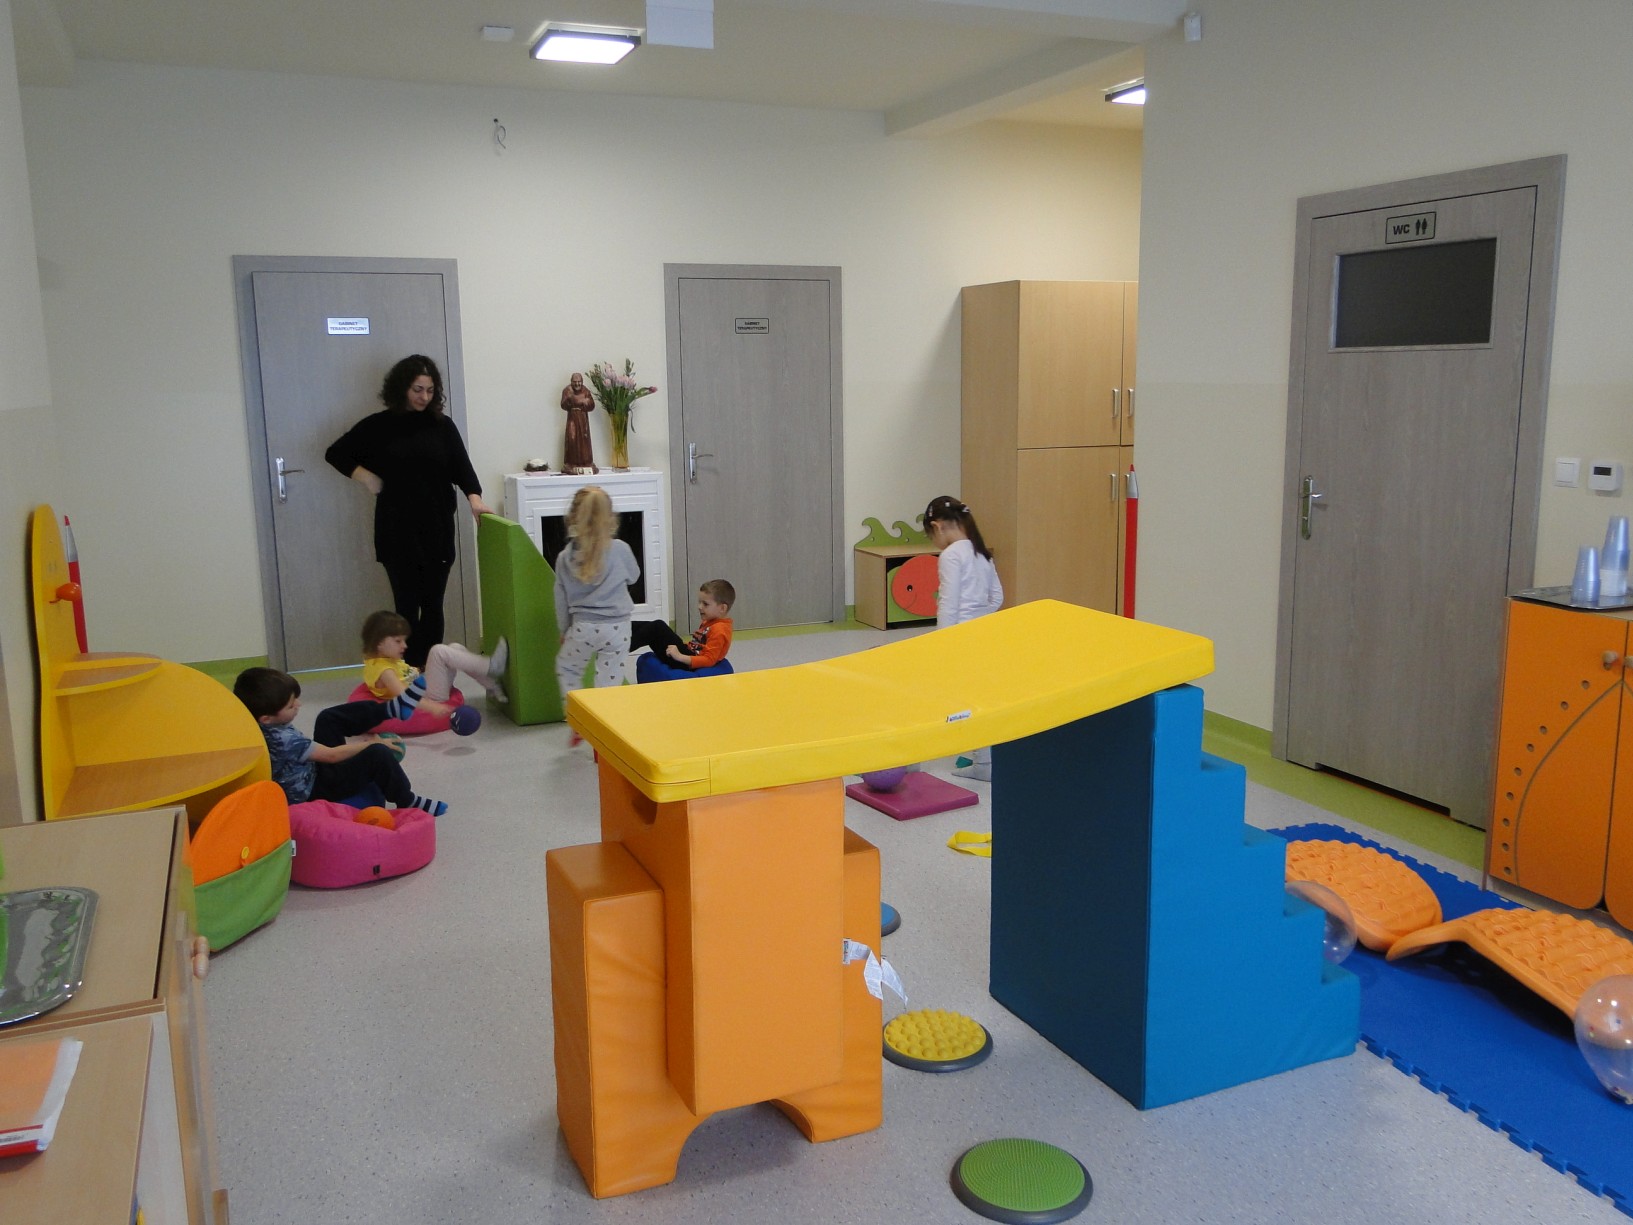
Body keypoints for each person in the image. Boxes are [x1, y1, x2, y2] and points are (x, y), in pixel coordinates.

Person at [325, 354, 493, 668]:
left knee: (433, 605)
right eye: (418, 389)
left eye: (430, 390)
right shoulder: (379, 425)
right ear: (402, 387)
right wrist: (366, 477)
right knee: (405, 606)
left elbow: (462, 468)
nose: (424, 397)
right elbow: (335, 453)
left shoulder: (443, 426)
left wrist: (475, 499)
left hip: (437, 529)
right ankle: (406, 671)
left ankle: (429, 670)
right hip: (396, 531)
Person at [233, 667, 447, 816]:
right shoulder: (284, 740)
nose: (299, 704)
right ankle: (407, 800)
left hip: (311, 772)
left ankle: (393, 708)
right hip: (314, 791)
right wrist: (371, 744)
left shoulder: (260, 725)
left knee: (327, 718)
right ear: (266, 718)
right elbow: (331, 755)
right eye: (290, 705)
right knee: (378, 754)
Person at [923, 494, 1004, 781]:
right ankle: (984, 759)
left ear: (937, 526)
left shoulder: (951, 555)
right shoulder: (981, 552)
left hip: (961, 639)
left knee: (967, 699)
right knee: (981, 697)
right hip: (983, 637)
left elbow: (948, 603)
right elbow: (997, 598)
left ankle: (982, 764)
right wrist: (979, 616)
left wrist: (943, 643)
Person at [554, 485, 640, 743]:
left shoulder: (564, 558)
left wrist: (564, 630)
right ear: (610, 518)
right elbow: (634, 576)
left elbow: (561, 600)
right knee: (608, 683)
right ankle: (606, 736)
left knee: (568, 668)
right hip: (618, 628)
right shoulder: (621, 549)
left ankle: (578, 720)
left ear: (572, 517)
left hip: (583, 628)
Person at [356, 610, 508, 723]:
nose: (405, 645)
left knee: (455, 648)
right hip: (429, 697)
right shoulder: (384, 670)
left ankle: (491, 684)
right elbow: (405, 696)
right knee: (438, 651)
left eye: (404, 640)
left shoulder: (389, 659)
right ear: (379, 643)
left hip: (425, 687)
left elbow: (408, 674)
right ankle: (492, 665)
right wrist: (432, 708)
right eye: (398, 641)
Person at [629, 579, 735, 682]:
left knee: (657, 627)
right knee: (653, 627)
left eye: (705, 604)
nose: (699, 607)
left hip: (687, 663)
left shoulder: (720, 630)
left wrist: (680, 656)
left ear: (722, 608)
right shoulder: (710, 622)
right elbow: (698, 645)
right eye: (699, 602)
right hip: (687, 653)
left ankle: (621, 648)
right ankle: (622, 629)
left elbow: (709, 660)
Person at [560, 372, 598, 475]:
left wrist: (585, 402)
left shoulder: (586, 391)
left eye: (579, 382)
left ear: (582, 382)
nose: (577, 384)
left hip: (583, 419)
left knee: (584, 441)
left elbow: (592, 405)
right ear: (571, 382)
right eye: (575, 382)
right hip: (572, 419)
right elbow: (563, 404)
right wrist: (573, 400)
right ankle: (571, 463)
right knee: (572, 439)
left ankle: (586, 462)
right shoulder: (567, 390)